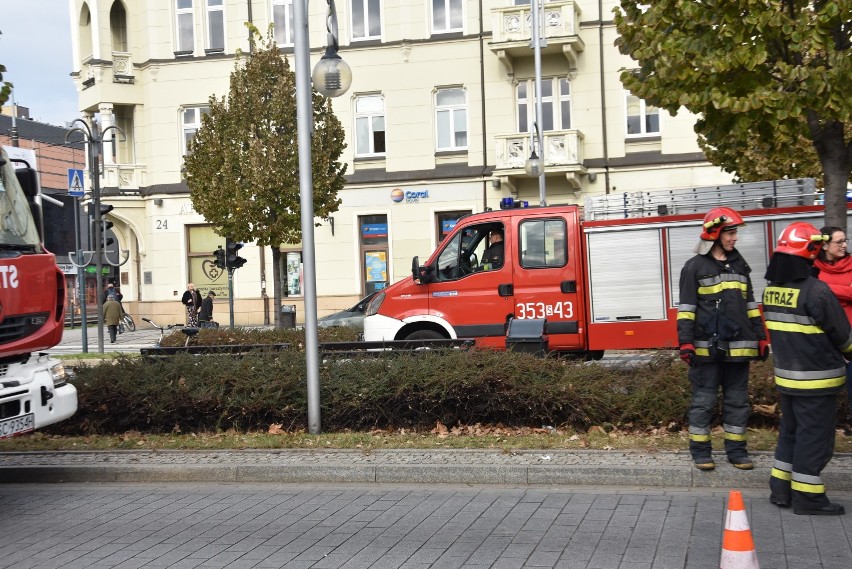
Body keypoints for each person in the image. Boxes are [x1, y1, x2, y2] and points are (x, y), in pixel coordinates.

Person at [764, 222, 851, 515]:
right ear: (811, 251)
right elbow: (844, 336)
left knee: (790, 434)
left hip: (788, 380)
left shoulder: (771, 291)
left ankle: (781, 491)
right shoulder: (816, 291)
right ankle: (808, 498)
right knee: (815, 440)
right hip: (817, 383)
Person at [677, 207, 768, 471]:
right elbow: (687, 310)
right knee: (703, 402)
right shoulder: (694, 267)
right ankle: (701, 451)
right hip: (707, 349)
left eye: (735, 231)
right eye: (730, 232)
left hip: (740, 349)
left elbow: (750, 305)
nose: (734, 237)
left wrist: (761, 337)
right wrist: (685, 342)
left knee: (738, 402)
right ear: (715, 234)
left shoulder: (740, 265)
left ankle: (737, 452)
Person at [815, 226, 852, 427]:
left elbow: (817, 291)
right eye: (839, 242)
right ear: (825, 245)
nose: (844, 245)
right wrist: (844, 291)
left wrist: (825, 289)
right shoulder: (813, 267)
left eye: (845, 240)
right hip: (826, 338)